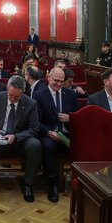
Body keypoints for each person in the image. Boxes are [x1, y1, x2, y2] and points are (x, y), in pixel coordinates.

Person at [0, 75, 41, 206]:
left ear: (23, 93)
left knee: (35, 145)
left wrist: (16, 136)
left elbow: (34, 129)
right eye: (10, 95)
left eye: (16, 97)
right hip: (0, 136)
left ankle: (28, 184)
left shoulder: (31, 103)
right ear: (7, 88)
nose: (12, 99)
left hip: (20, 139)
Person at [34, 68, 79, 203]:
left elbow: (79, 117)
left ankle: (79, 179)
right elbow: (36, 121)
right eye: (56, 81)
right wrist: (48, 132)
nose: (59, 84)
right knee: (48, 146)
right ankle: (52, 181)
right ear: (48, 78)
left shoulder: (71, 94)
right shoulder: (39, 95)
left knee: (82, 144)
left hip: (68, 133)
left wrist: (70, 118)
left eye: (61, 81)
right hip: (49, 133)